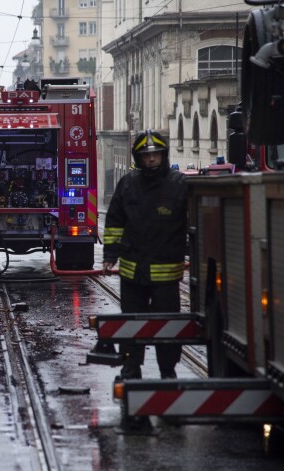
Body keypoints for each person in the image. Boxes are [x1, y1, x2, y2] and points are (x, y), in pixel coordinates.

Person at [103, 129, 188, 380]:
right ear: (138, 158)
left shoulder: (178, 185)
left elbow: (192, 222)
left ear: (163, 155)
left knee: (168, 326)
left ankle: (167, 369)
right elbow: (115, 221)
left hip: (166, 275)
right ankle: (131, 366)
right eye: (146, 155)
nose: (151, 159)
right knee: (131, 322)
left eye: (155, 155)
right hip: (133, 272)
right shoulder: (128, 184)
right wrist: (110, 255)